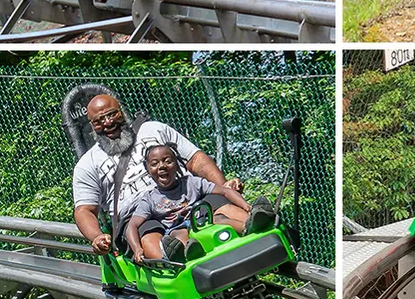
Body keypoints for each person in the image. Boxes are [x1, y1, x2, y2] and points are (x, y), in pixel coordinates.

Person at [72, 93, 274, 255]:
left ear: (122, 112)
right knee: (147, 232)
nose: (108, 123)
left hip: (186, 193)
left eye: (112, 114)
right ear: (92, 126)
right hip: (140, 213)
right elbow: (84, 211)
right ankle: (173, 258)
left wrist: (222, 186)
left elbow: (195, 159)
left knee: (218, 203)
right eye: (99, 121)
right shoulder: (87, 164)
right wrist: (97, 237)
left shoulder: (152, 130)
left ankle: (257, 226)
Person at [124, 144, 252, 263]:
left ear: (177, 165)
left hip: (201, 221)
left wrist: (247, 207)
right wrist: (137, 249)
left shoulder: (191, 183)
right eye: (154, 164)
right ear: (148, 170)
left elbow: (225, 191)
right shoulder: (149, 199)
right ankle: (191, 252)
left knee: (218, 219)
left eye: (168, 161)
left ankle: (248, 226)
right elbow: (132, 226)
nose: (162, 166)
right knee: (178, 234)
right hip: (177, 228)